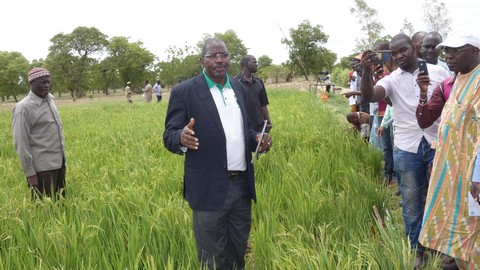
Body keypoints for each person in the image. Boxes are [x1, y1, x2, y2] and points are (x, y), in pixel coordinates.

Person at [163, 38, 272, 270]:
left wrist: (256, 139)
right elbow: (169, 135)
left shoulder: (238, 88)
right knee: (211, 257)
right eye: (213, 55)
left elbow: (247, 128)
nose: (220, 59)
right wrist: (181, 137)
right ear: (202, 61)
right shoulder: (185, 91)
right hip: (208, 189)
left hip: (241, 186)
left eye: (224, 55)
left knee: (238, 252)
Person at [359, 34, 449, 269]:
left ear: (414, 48)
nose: (399, 56)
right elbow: (369, 95)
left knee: (439, 198)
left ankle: (439, 247)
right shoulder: (391, 80)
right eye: (394, 52)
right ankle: (417, 250)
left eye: (403, 50)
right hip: (406, 147)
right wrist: (367, 72)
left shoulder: (438, 72)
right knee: (411, 201)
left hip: (436, 143)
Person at [419, 33, 480, 269]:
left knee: (472, 225)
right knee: (459, 221)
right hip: (452, 171)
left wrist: (478, 175)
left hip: (470, 175)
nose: (448, 56)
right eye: (447, 51)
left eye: (456, 50)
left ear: (475, 51)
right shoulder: (461, 78)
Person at [12, 67, 66, 199]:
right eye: (42, 82)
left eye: (48, 82)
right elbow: (21, 142)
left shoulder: (51, 99)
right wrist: (30, 173)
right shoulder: (23, 108)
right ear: (31, 83)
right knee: (44, 210)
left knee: (61, 206)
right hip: (41, 170)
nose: (46, 85)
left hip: (59, 164)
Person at [234, 55, 272, 133]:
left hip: (259, 125)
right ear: (245, 64)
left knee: (260, 145)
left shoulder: (259, 82)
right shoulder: (235, 82)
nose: (256, 64)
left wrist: (268, 121)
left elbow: (263, 104)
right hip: (243, 126)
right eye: (254, 62)